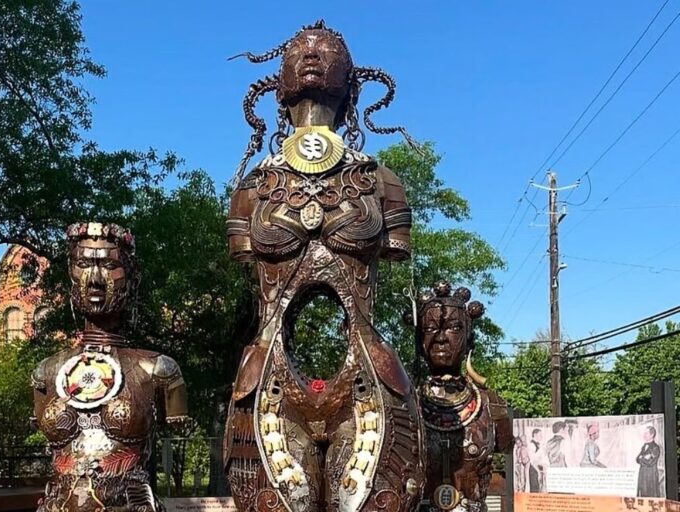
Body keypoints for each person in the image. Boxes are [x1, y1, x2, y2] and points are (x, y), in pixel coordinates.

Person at [223, 20, 425, 512]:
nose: (312, 53)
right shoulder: (252, 190)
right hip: (268, 380)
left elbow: (396, 249)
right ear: (279, 83)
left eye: (328, 49)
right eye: (299, 50)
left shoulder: (382, 181)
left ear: (351, 82)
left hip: (369, 381)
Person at [32, 223, 188, 512]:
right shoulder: (46, 372)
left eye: (109, 265)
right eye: (83, 264)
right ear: (70, 274)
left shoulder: (159, 370)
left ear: (131, 277)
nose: (95, 280)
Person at [411, 282, 512, 512]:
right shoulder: (405, 407)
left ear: (469, 339)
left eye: (454, 328)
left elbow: (506, 447)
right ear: (419, 343)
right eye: (430, 329)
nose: (441, 338)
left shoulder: (491, 405)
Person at [636, 426, 662, 497]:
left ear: (652, 435)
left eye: (646, 433)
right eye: (644, 433)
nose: (644, 435)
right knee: (642, 494)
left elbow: (650, 462)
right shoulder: (644, 446)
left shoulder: (655, 447)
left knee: (651, 495)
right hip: (642, 475)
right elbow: (637, 459)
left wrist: (642, 458)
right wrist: (644, 458)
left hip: (651, 476)